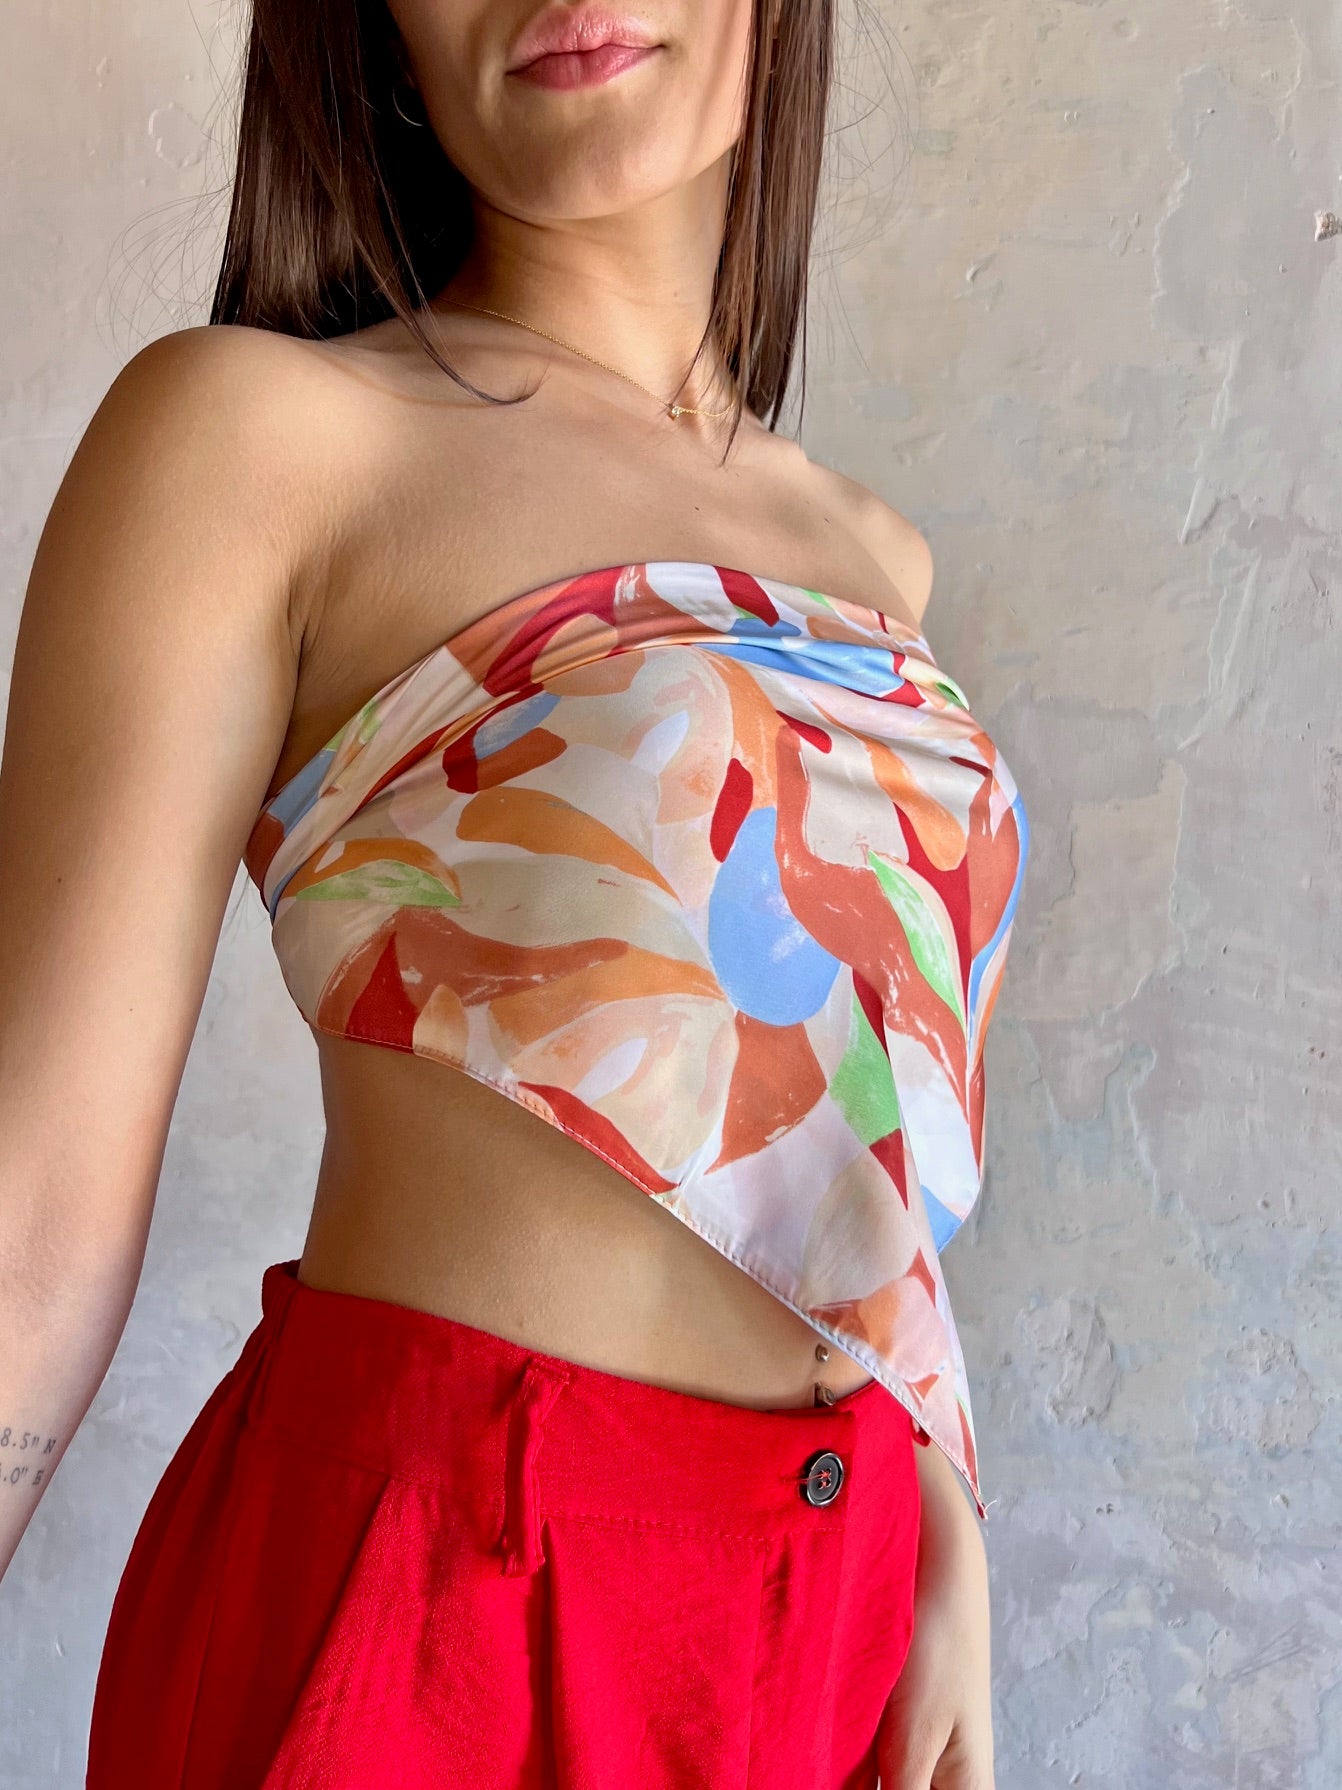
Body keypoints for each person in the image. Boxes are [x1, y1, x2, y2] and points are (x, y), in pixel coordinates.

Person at [0, 1, 1030, 1784]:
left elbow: (832, 1097)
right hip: (434, 1638)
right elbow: (29, 1228)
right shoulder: (265, 440)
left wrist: (934, 1504)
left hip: (814, 1616)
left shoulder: (874, 560)